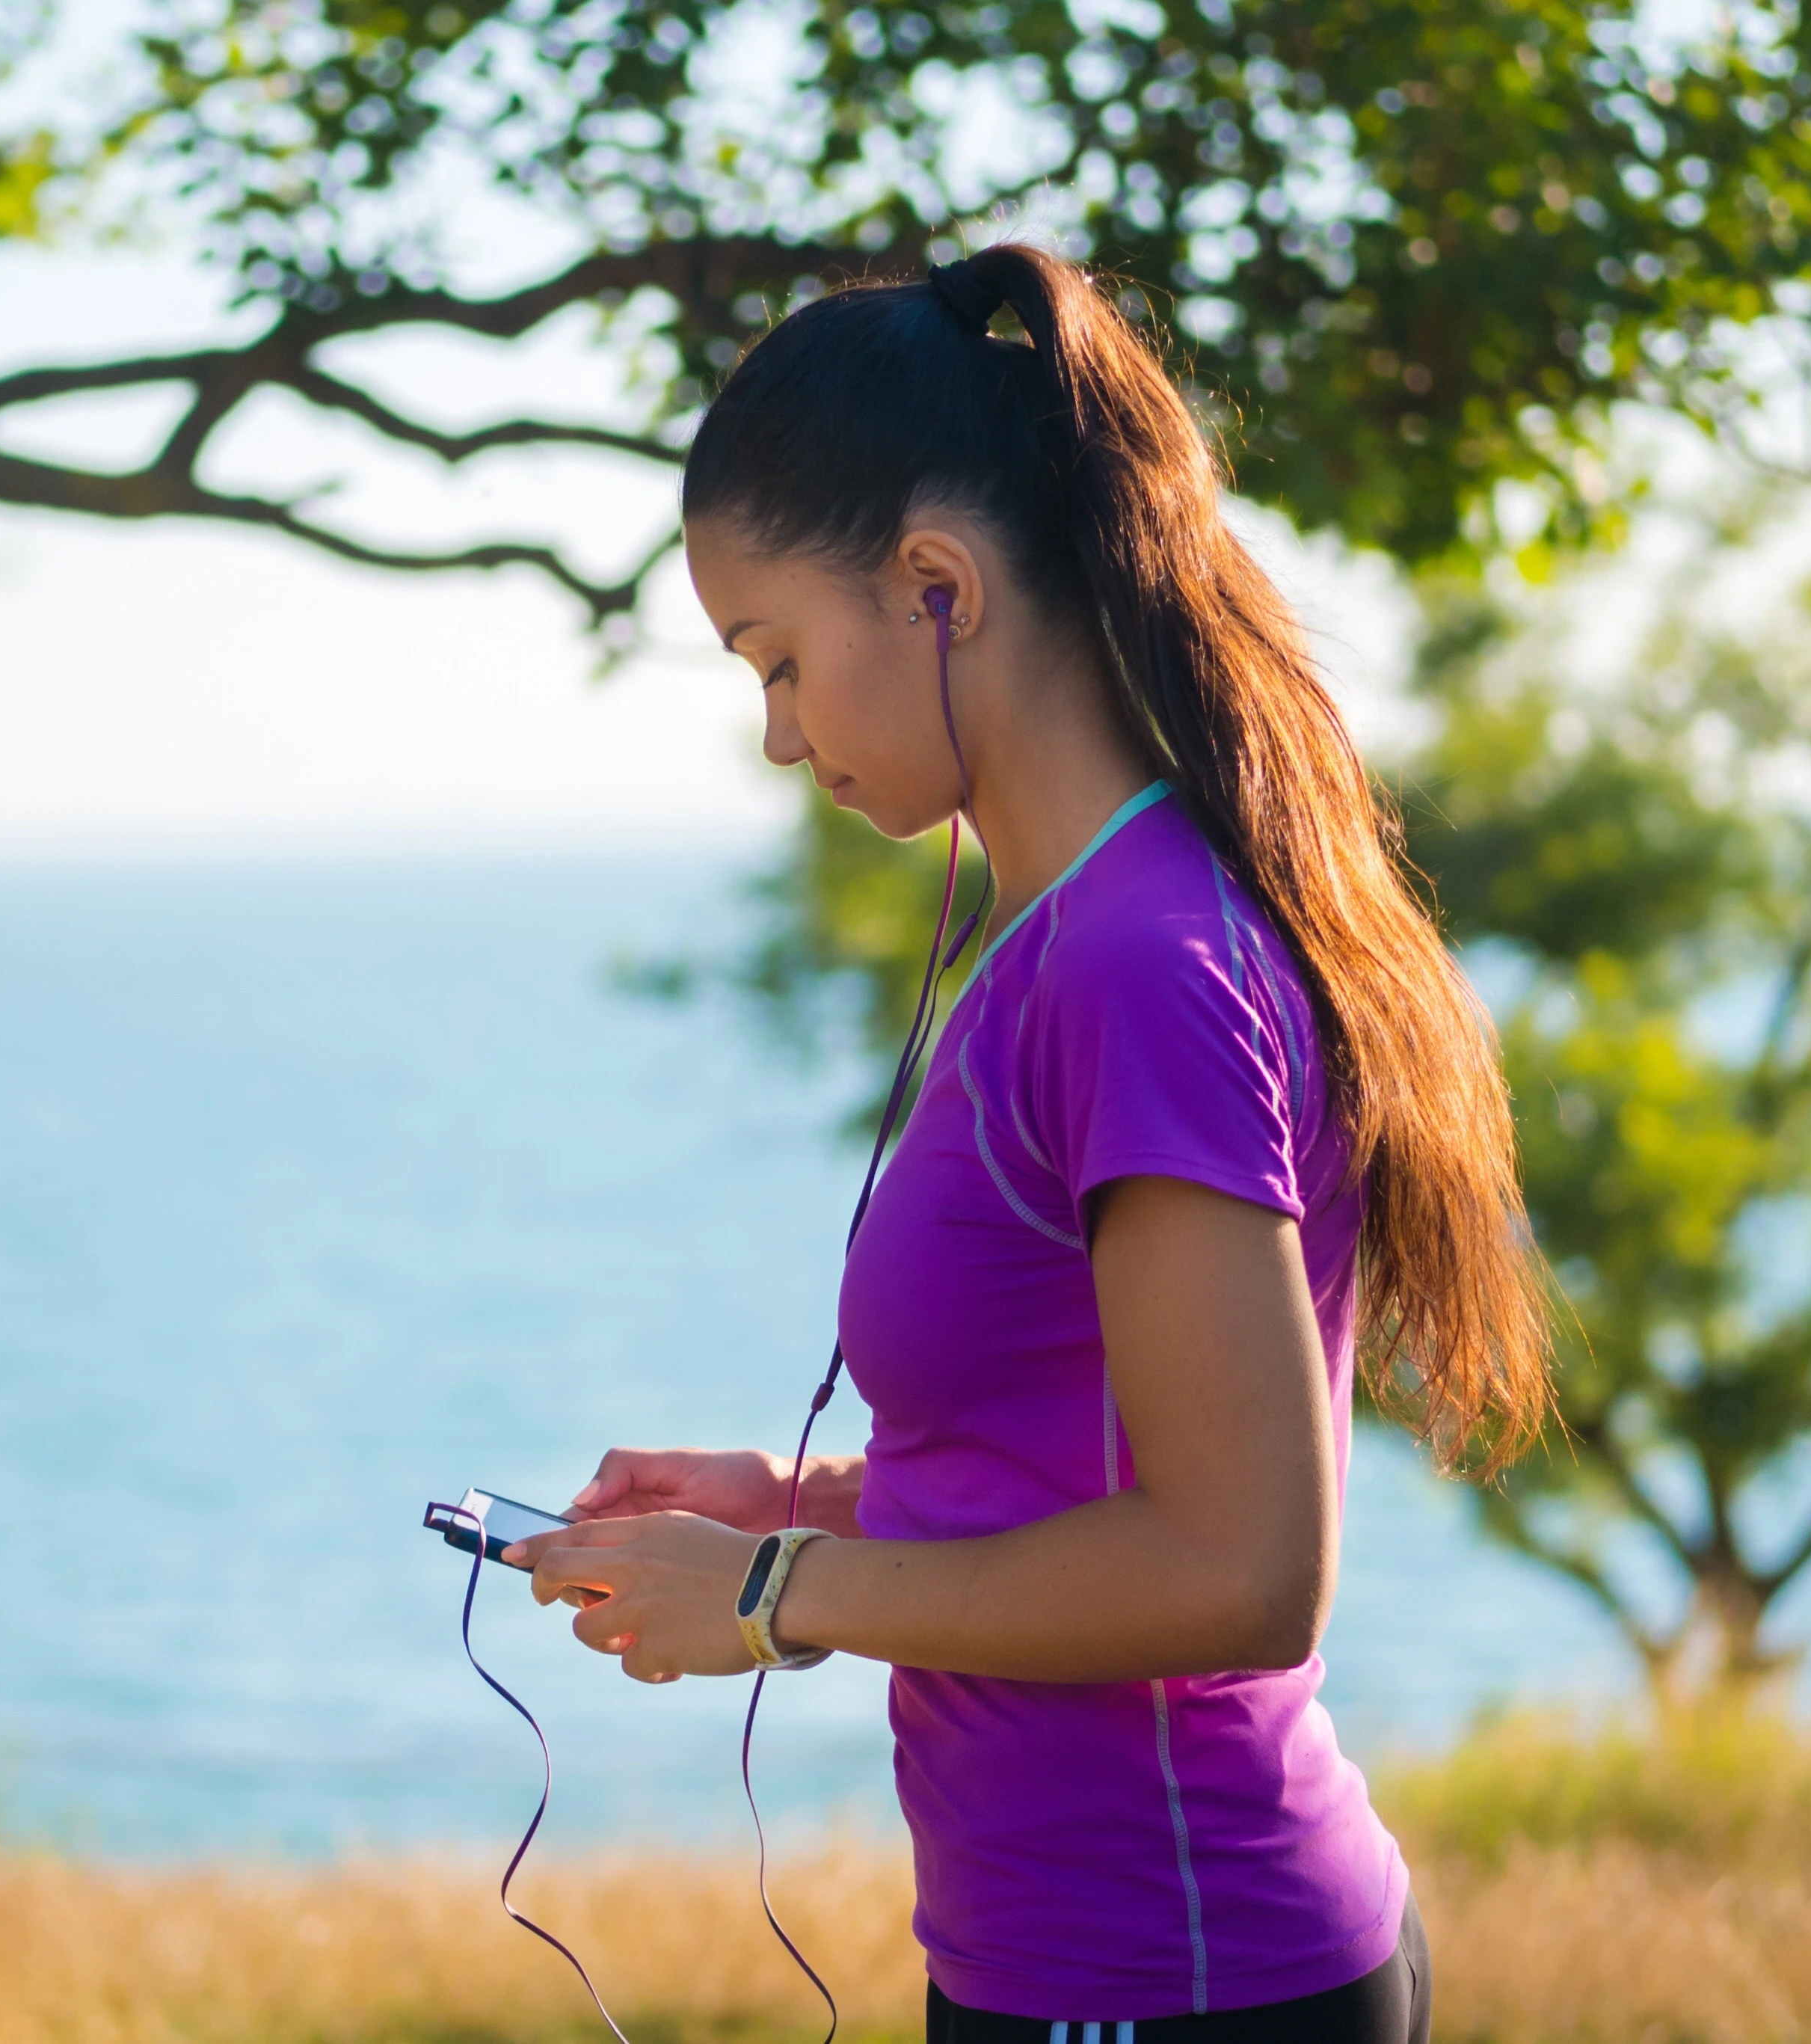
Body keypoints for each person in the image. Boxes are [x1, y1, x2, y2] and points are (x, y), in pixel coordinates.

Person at [502, 244, 1554, 2044]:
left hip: (1183, 1982)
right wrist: (790, 1503)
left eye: (775, 660)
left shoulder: (1142, 963)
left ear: (932, 586)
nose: (774, 735)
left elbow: (1238, 1566)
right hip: (1056, 1971)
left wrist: (776, 1596)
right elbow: (1065, 1463)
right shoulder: (1052, 943)